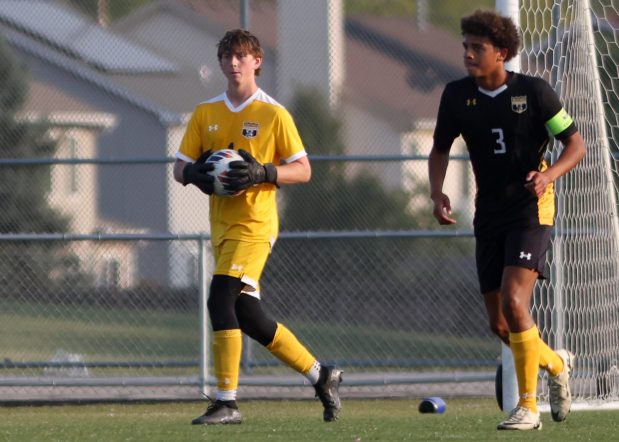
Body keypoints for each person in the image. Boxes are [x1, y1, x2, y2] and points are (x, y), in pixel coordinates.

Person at [173, 29, 342, 425]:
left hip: (255, 226)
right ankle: (322, 376)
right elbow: (179, 167)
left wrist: (264, 171)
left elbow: (303, 170)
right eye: (227, 56)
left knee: (219, 297)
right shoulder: (205, 113)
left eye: (241, 56)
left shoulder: (273, 113)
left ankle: (226, 401)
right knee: (248, 316)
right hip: (222, 228)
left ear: (257, 61)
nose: (233, 63)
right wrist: (196, 172)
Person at [428, 10, 586, 431]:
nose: (467, 54)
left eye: (476, 47)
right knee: (500, 322)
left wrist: (549, 174)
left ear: (502, 53)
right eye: (465, 46)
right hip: (489, 213)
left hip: (531, 209)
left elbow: (575, 144)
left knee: (516, 304)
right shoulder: (457, 96)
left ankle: (528, 408)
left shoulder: (534, 92)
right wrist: (438, 190)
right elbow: (440, 149)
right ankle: (555, 364)